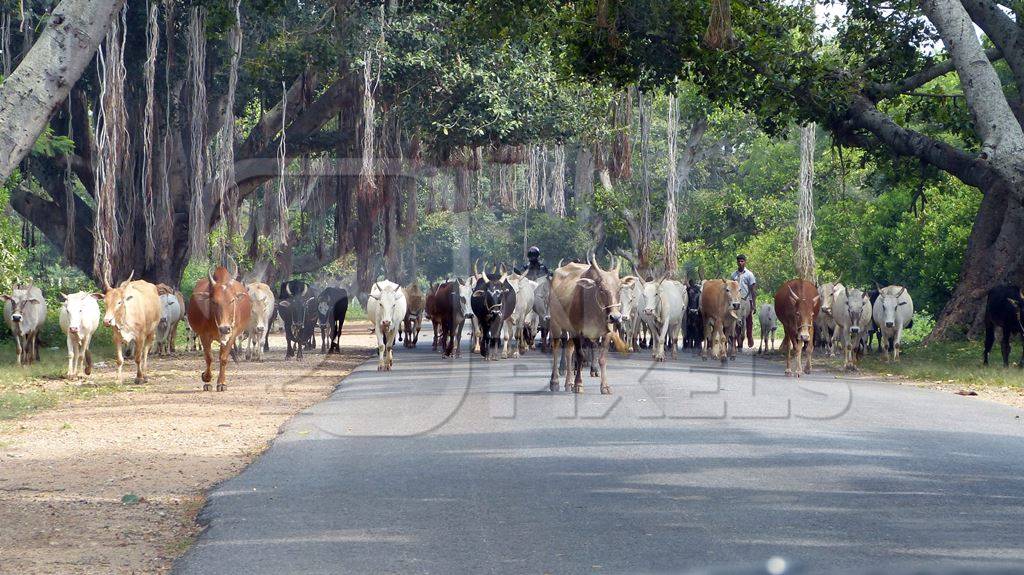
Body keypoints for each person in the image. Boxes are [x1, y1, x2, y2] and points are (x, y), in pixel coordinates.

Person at [731, 254, 757, 348]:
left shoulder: (749, 274)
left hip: (747, 300)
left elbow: (753, 290)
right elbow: (731, 288)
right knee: (735, 320)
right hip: (736, 301)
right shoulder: (734, 275)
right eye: (739, 261)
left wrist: (754, 304)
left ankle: (749, 337)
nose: (740, 263)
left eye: (742, 261)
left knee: (748, 320)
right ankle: (737, 340)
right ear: (737, 262)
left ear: (745, 262)